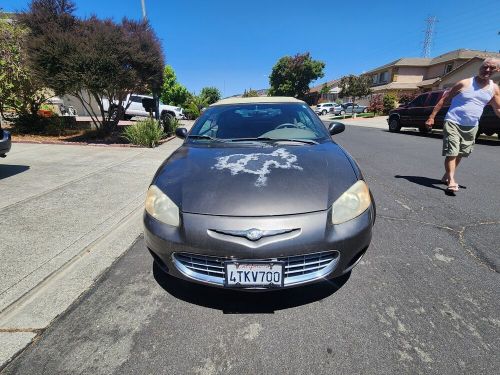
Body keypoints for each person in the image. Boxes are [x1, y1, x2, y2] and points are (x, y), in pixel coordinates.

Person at [425, 58, 500, 193]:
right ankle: (451, 180)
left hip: (472, 126)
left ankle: (447, 175)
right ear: (480, 67)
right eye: (485, 67)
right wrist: (431, 117)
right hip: (453, 121)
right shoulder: (464, 83)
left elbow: (498, 108)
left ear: (497, 70)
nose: (487, 70)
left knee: (460, 154)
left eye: (492, 68)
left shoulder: (494, 89)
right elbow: (444, 99)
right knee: (452, 152)